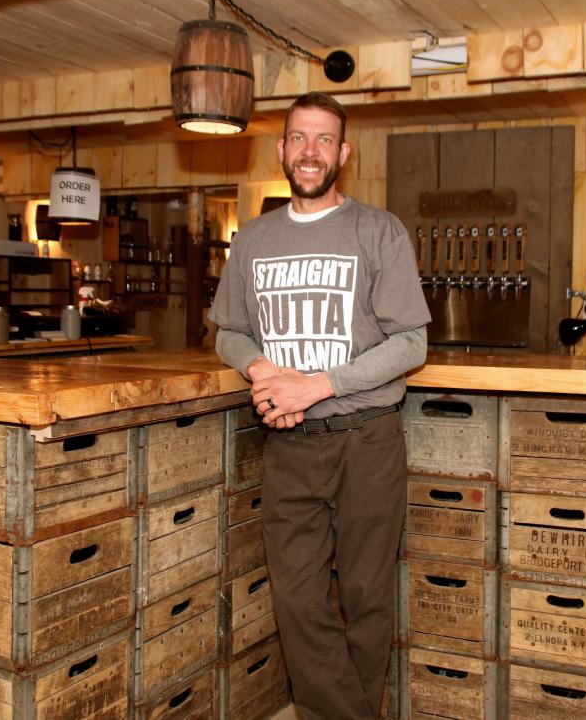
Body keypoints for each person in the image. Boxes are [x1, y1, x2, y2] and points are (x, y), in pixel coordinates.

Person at [209, 91, 430, 719]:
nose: (311, 152)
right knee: (298, 601)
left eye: (324, 140)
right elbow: (227, 329)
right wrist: (264, 371)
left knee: (366, 597)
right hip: (291, 444)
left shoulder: (377, 230)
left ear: (344, 153)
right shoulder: (251, 240)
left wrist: (317, 384)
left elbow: (412, 342)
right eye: (299, 138)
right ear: (280, 149)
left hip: (367, 439)